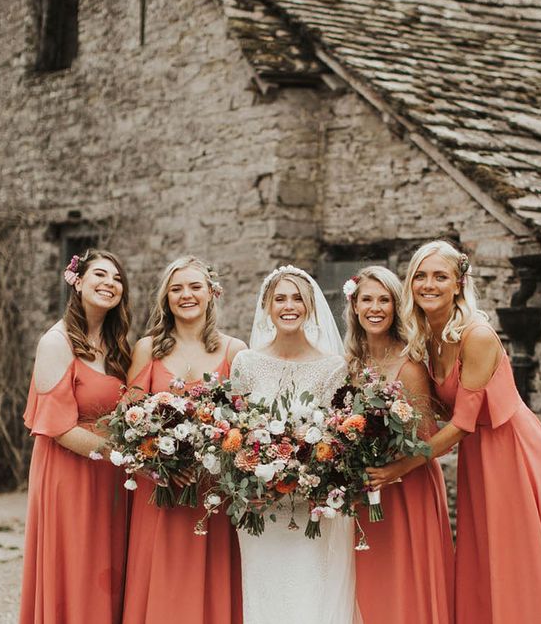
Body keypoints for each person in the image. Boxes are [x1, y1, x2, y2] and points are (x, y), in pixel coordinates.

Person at [367, 241, 541, 624]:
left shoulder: (478, 336)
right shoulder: (426, 339)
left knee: (518, 563)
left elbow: (461, 425)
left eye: (440, 276)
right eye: (420, 276)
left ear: (459, 283)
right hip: (479, 456)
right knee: (486, 560)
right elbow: (436, 406)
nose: (428, 284)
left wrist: (401, 467)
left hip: (515, 452)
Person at [230, 265, 360, 624]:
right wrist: (248, 479)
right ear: (267, 307)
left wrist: (310, 478)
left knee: (309, 593)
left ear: (310, 306)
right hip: (258, 509)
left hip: (310, 509)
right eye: (280, 298)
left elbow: (339, 440)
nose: (290, 306)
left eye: (298, 298)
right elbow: (233, 434)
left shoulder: (333, 367)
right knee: (264, 591)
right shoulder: (246, 363)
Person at [122, 256, 245, 624]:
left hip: (212, 494)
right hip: (159, 492)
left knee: (210, 583)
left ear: (211, 294)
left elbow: (246, 425)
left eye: (194, 287)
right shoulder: (147, 349)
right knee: (161, 583)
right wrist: (157, 465)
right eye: (176, 289)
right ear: (166, 298)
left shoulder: (234, 351)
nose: (185, 295)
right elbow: (127, 420)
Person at [20, 250, 132, 624]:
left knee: (108, 572)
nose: (110, 283)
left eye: (117, 279)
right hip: (69, 475)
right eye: (100, 274)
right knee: (76, 567)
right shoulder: (56, 342)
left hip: (110, 476)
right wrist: (124, 453)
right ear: (77, 281)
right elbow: (60, 428)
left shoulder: (119, 346)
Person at [343, 266, 454, 624]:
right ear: (355, 307)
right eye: (367, 300)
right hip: (367, 488)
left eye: (384, 300)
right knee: (369, 584)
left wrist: (392, 466)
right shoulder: (350, 365)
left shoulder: (410, 365)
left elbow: (427, 438)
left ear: (395, 306)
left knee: (405, 583)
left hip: (408, 487)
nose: (375, 308)